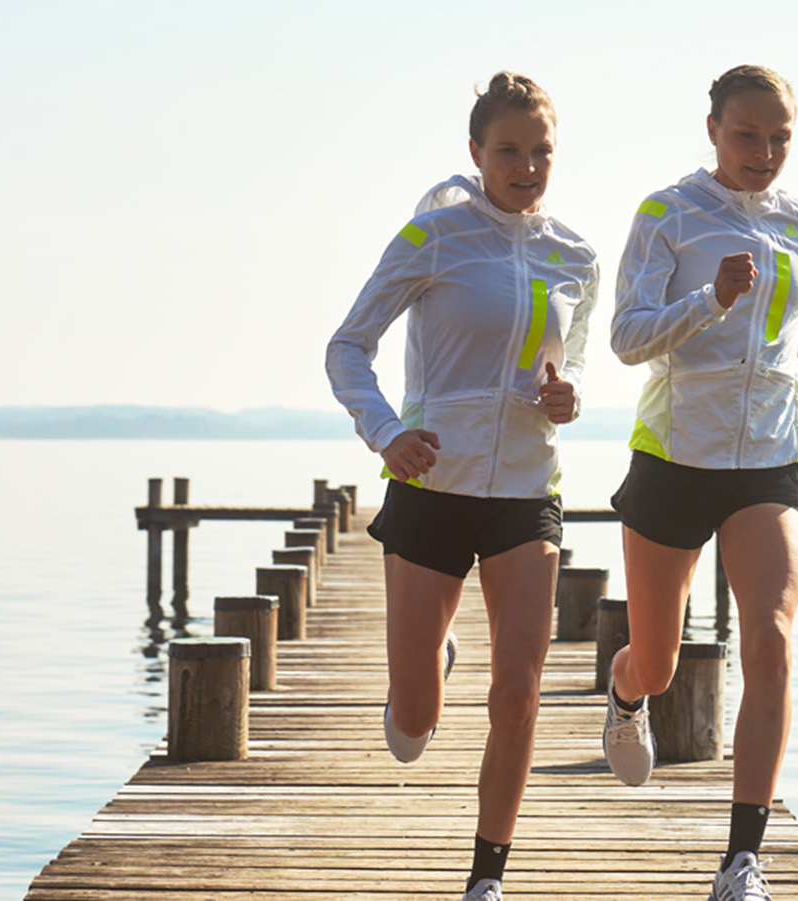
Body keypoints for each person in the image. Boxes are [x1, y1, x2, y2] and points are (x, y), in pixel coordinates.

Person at [601, 64, 798, 900]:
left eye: (780, 137)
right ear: (714, 128)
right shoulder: (667, 214)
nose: (764, 152)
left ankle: (740, 861)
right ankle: (623, 692)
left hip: (766, 457)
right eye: (748, 134)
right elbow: (624, 337)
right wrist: (710, 303)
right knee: (657, 661)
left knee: (773, 636)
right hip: (675, 458)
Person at [325, 71, 596, 901]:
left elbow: (573, 363)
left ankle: (487, 878)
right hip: (433, 482)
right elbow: (347, 348)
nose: (526, 166)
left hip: (525, 489)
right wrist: (387, 432)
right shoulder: (433, 237)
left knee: (516, 694)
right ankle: (425, 671)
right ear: (476, 152)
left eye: (540, 151)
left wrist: (569, 395)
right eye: (508, 150)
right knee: (413, 726)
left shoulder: (575, 254)